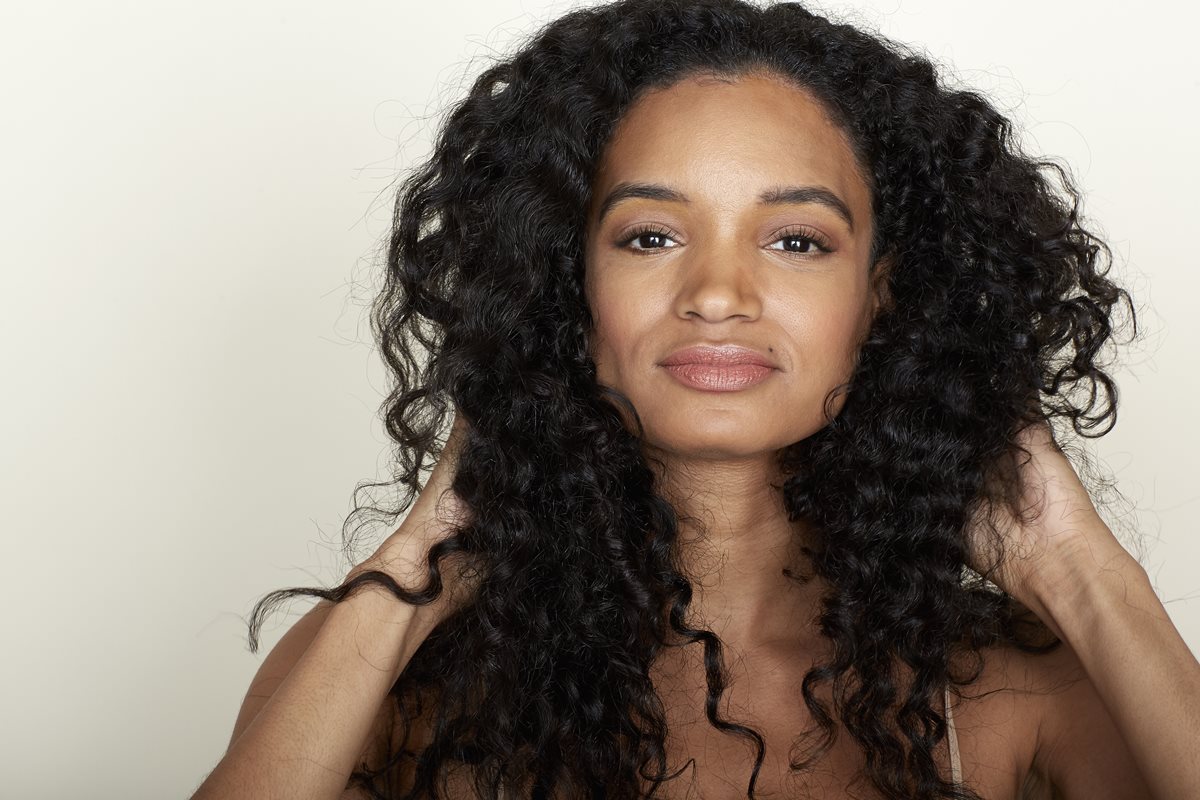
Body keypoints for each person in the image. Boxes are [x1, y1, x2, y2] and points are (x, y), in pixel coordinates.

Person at [190, 1, 1200, 798]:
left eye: (797, 240)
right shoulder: (396, 674)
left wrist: (1080, 573)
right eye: (650, 236)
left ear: (880, 296)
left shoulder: (1025, 687)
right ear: (566, 286)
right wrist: (421, 558)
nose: (718, 294)